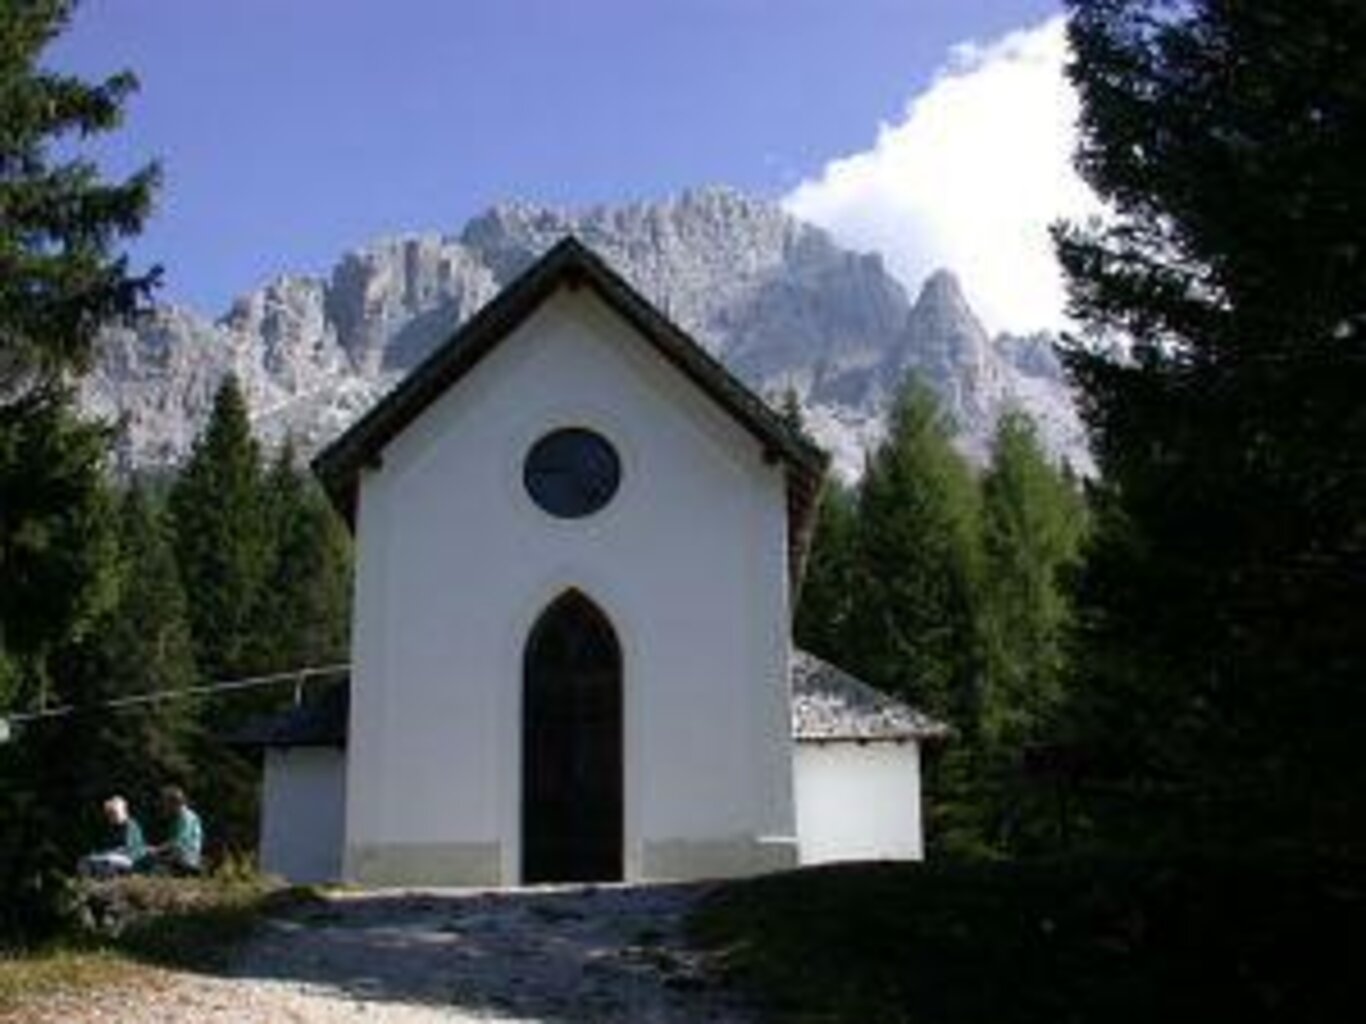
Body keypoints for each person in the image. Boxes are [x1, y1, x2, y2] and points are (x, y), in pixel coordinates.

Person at [77, 795, 147, 879]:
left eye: (113, 813)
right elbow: (106, 845)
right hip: (113, 856)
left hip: (131, 859)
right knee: (85, 861)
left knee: (107, 862)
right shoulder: (112, 828)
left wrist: (111, 853)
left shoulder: (131, 826)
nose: (111, 817)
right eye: (109, 814)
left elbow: (130, 848)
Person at [143, 785, 204, 875]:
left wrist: (156, 850)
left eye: (165, 803)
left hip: (187, 857)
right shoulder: (177, 819)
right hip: (180, 855)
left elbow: (178, 843)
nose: (164, 806)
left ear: (174, 803)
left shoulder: (186, 818)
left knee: (152, 866)